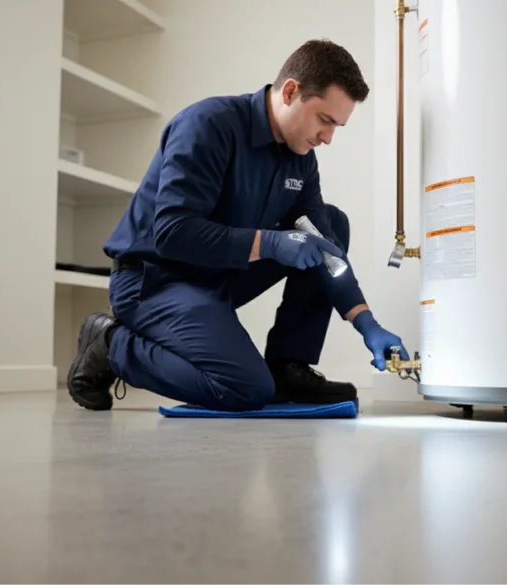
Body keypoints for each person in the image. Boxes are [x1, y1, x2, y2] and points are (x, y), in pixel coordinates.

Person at [66, 39, 410, 411]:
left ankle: (289, 367)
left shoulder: (301, 158)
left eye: (337, 126)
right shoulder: (208, 125)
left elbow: (326, 247)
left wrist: (366, 322)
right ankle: (110, 346)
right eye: (324, 120)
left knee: (332, 224)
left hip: (217, 276)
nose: (328, 138)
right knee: (245, 388)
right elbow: (172, 233)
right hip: (154, 280)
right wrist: (272, 243)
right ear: (290, 92)